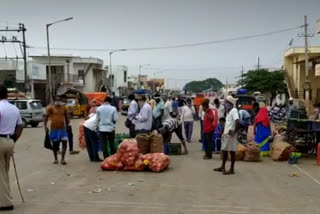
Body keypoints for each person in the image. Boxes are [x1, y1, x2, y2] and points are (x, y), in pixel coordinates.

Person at [0, 85, 23, 211]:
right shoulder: (14, 108)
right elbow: (20, 126)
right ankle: (5, 197)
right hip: (9, 140)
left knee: (1, 173)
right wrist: (13, 140)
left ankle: (5, 203)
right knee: (4, 172)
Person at [214, 95, 239, 175]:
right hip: (226, 134)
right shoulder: (228, 112)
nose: (225, 104)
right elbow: (228, 123)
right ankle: (223, 166)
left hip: (231, 135)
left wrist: (234, 131)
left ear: (231, 103)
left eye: (226, 103)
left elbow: (237, 122)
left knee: (231, 151)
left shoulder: (234, 110)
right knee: (224, 150)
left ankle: (231, 169)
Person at [44, 95, 70, 165]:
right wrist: (45, 126)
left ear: (61, 100)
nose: (58, 101)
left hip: (62, 129)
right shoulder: (51, 108)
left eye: (59, 99)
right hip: (54, 129)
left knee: (64, 143)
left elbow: (67, 118)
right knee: (55, 144)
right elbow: (46, 117)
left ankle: (63, 159)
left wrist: (68, 126)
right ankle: (55, 159)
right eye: (56, 100)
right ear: (54, 101)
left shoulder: (64, 108)